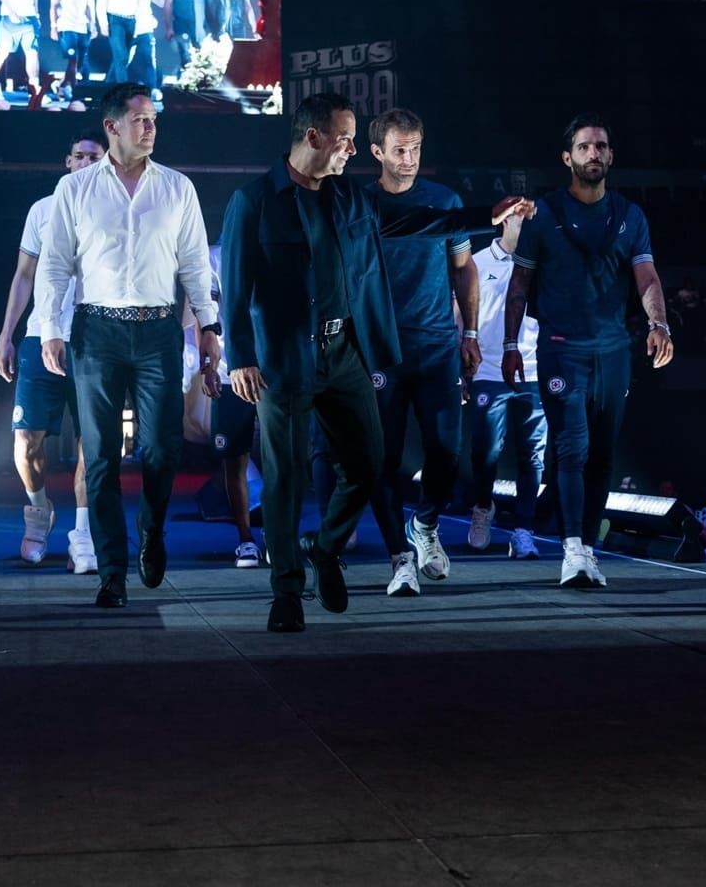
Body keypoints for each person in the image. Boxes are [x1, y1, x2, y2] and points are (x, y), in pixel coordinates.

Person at [219, 92, 533, 632]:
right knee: (286, 478)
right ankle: (286, 594)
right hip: (284, 358)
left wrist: (486, 216)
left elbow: (414, 223)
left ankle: (324, 546)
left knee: (369, 465)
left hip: (345, 353)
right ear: (314, 137)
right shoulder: (254, 201)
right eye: (344, 139)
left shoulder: (348, 196)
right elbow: (235, 283)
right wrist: (240, 357)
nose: (351, 150)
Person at [34, 83, 221, 608]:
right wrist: (49, 328)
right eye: (140, 119)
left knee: (163, 448)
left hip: (159, 330)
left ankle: (152, 530)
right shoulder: (74, 189)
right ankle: (112, 570)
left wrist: (209, 327)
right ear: (112, 127)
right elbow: (54, 263)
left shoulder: (178, 187)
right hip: (96, 331)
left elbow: (195, 264)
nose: (150, 128)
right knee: (99, 455)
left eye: (154, 119)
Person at [503, 114, 673, 589]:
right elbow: (519, 285)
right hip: (561, 349)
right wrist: (511, 345)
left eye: (600, 146)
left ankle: (589, 552)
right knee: (571, 448)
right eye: (584, 147)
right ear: (567, 158)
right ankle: (572, 549)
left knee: (602, 456)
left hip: (614, 351)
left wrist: (659, 324)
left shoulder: (630, 216)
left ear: (611, 155)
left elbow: (647, 277)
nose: (593, 153)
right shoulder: (543, 214)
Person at [313, 109, 477, 596]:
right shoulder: (360, 204)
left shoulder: (445, 201)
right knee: (381, 459)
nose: (409, 159)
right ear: (378, 152)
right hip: (379, 350)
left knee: (447, 451)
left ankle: (424, 524)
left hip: (437, 346)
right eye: (400, 150)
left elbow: (464, 268)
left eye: (416, 149)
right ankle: (399, 559)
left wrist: (469, 333)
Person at [0, 134, 106, 570]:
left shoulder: (117, 210)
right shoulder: (42, 211)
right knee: (27, 442)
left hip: (95, 341)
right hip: (39, 336)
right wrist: (6, 335)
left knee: (92, 442)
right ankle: (39, 512)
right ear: (67, 162)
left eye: (94, 156)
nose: (86, 162)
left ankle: (83, 532)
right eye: (80, 156)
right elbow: (24, 275)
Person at [467, 208, 545, 559]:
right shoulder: (478, 262)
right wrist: (461, 367)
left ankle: (523, 530)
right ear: (504, 221)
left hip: (534, 370)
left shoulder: (543, 262)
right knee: (486, 452)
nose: (526, 224)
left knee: (533, 454)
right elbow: (460, 313)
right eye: (520, 218)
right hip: (488, 370)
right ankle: (483, 507)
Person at [207, 242, 264, 568]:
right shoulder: (216, 255)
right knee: (234, 458)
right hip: (232, 371)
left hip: (275, 369)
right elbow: (206, 313)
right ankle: (245, 539)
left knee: (283, 456)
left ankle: (278, 535)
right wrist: (208, 365)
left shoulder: (276, 243)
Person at [49, 0, 96, 88]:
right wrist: (53, 26)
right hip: (66, 25)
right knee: (73, 57)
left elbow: (87, 6)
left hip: (82, 26)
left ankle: (63, 84)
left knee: (80, 60)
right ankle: (73, 87)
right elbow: (53, 6)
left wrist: (92, 24)